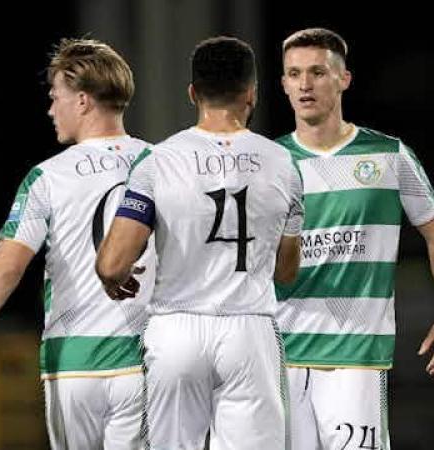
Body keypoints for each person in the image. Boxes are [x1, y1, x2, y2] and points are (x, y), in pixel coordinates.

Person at [0, 38, 155, 450]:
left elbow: (8, 265)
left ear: (81, 101)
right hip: (145, 361)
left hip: (75, 364)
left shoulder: (48, 177)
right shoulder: (162, 163)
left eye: (54, 96)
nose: (49, 109)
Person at [95, 36, 303, 450]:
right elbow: (286, 270)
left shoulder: (158, 161)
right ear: (251, 93)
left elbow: (113, 263)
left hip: (176, 329)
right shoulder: (284, 164)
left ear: (192, 93)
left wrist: (112, 278)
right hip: (249, 329)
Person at [274, 28, 434, 449]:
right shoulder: (269, 162)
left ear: (344, 80)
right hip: (279, 355)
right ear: (284, 84)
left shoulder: (389, 156)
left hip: (355, 357)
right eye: (294, 74)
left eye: (318, 72)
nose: (305, 84)